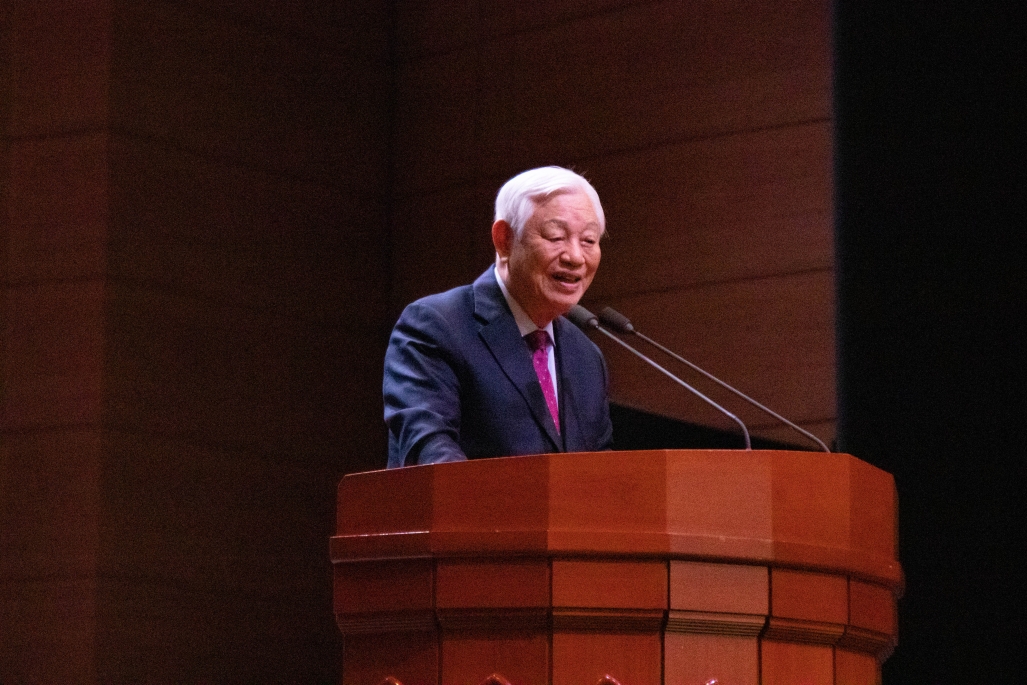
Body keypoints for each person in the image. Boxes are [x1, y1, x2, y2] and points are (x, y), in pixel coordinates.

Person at [383, 166, 614, 468]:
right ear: (504, 240)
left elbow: (601, 470)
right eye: (556, 236)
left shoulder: (586, 357)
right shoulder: (436, 326)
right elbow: (430, 450)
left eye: (588, 240)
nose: (575, 256)